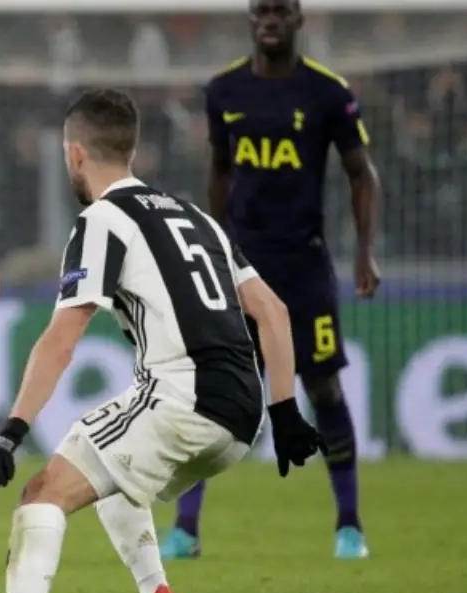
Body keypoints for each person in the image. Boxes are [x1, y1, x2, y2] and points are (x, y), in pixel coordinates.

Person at [0, 88, 325, 593]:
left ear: (74, 154)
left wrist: (11, 432)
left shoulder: (101, 220)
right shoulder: (197, 217)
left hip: (182, 400)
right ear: (130, 150)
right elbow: (272, 312)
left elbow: (61, 340)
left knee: (41, 496)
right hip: (243, 414)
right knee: (107, 468)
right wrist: (285, 412)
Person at [161, 0, 382, 561]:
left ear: (299, 19)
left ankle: (349, 526)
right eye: (262, 10)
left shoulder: (327, 92)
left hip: (304, 268)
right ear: (250, 19)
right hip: (242, 269)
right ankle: (186, 529)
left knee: (323, 388)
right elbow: (219, 170)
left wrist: (365, 254)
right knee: (216, 393)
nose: (271, 20)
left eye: (281, 11)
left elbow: (362, 174)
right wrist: (215, 247)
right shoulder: (224, 91)